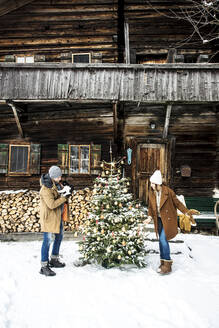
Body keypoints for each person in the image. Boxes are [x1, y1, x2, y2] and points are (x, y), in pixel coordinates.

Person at [145, 170, 198, 274]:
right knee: (161, 240)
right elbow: (151, 207)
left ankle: (168, 264)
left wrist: (186, 212)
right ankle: (163, 261)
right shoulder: (152, 193)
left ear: (158, 184)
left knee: (163, 239)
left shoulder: (168, 192)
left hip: (168, 220)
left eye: (152, 183)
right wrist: (149, 217)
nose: (151, 185)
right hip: (158, 219)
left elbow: (178, 203)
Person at [39, 165, 70, 276]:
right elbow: (51, 204)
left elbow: (60, 194)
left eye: (61, 176)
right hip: (49, 218)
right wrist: (64, 197)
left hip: (57, 217)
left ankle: (54, 259)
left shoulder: (57, 184)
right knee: (47, 240)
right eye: (59, 177)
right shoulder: (45, 188)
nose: (60, 178)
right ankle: (44, 266)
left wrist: (67, 189)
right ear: (53, 177)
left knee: (59, 237)